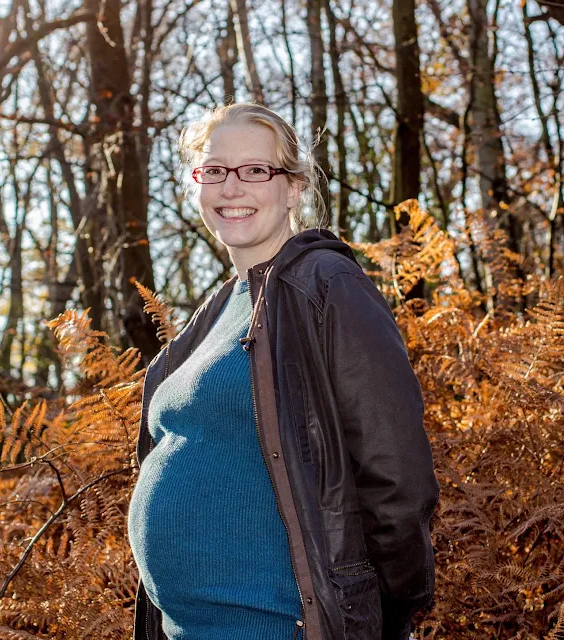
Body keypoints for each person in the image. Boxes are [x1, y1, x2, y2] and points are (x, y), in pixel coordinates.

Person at [128, 103, 440, 640]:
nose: (232, 187)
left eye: (255, 170)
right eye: (215, 170)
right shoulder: (215, 312)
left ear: (294, 187)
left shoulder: (325, 285)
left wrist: (375, 617)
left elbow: (397, 478)